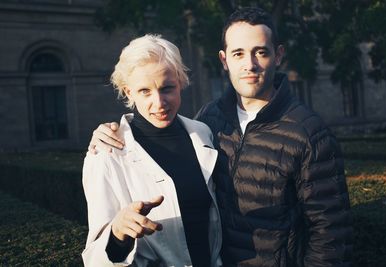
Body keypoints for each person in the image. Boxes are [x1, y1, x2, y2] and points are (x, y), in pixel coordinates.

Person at [89, 7, 353, 267]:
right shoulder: (209, 120)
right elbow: (97, 254)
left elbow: (331, 232)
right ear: (224, 60)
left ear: (278, 55)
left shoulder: (308, 132)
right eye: (238, 53)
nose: (249, 64)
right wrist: (117, 232)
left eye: (260, 52)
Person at [82, 34, 222, 267]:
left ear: (180, 82)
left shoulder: (203, 133)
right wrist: (117, 233)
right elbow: (94, 259)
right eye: (145, 91)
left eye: (167, 88)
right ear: (129, 92)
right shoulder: (106, 154)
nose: (159, 103)